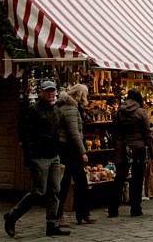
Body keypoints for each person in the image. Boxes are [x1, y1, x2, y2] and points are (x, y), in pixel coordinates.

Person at [4, 81, 70, 237]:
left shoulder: (56, 110)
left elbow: (59, 130)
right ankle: (12, 216)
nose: (51, 94)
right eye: (48, 91)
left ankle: (52, 224)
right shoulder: (34, 111)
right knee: (39, 191)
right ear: (41, 93)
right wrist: (30, 157)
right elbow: (27, 136)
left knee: (55, 190)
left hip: (54, 155)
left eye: (53, 91)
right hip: (39, 156)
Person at [108, 88, 153, 218]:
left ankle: (113, 208)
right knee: (137, 178)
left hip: (122, 147)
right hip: (138, 148)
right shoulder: (141, 112)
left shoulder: (118, 112)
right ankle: (135, 208)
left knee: (120, 177)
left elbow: (114, 132)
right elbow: (147, 134)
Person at [56, 84, 95, 226]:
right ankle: (61, 214)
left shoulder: (67, 107)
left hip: (67, 149)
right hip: (69, 149)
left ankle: (82, 213)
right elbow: (74, 133)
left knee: (78, 181)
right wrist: (82, 152)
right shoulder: (71, 109)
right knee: (67, 182)